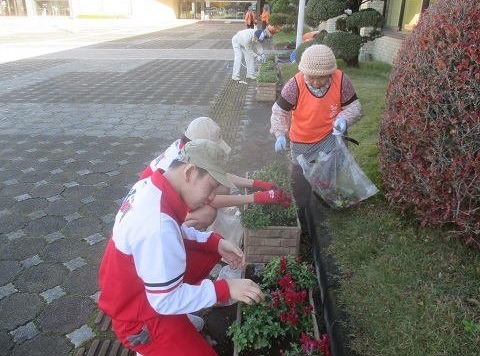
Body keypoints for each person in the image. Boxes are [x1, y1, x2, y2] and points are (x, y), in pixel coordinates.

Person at [98, 139, 266, 356]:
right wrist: (225, 288)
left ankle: (178, 320)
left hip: (141, 289)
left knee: (209, 252)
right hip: (139, 317)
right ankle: (149, 348)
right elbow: (165, 300)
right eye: (211, 187)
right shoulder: (157, 227)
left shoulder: (150, 186)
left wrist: (215, 242)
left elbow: (176, 230)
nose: (212, 197)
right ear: (190, 173)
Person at [141, 117, 283, 230]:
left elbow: (219, 175)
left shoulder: (186, 148)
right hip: (152, 219)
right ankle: (181, 236)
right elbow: (212, 200)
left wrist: (256, 183)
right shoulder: (177, 162)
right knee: (207, 213)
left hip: (159, 205)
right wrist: (256, 197)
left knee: (222, 188)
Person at [270, 44, 362, 208]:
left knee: (329, 169)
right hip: (302, 137)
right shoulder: (295, 84)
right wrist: (280, 134)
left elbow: (354, 107)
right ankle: (300, 205)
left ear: (331, 73)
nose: (315, 82)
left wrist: (344, 119)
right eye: (311, 77)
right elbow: (279, 111)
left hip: (330, 134)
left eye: (321, 77)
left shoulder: (341, 80)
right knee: (300, 175)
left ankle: (325, 197)